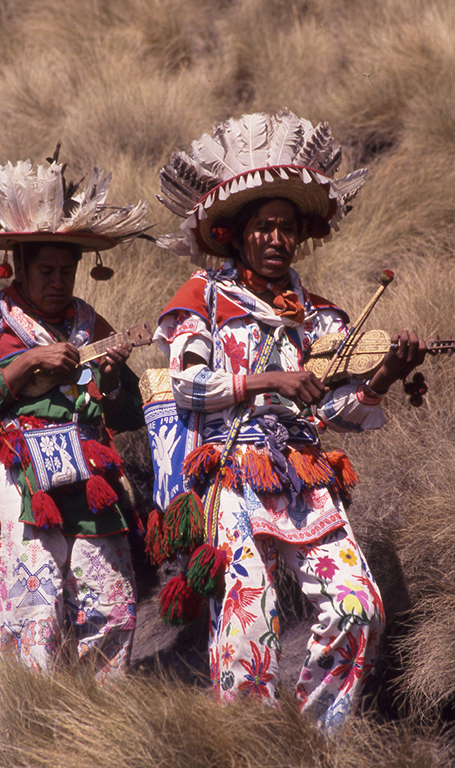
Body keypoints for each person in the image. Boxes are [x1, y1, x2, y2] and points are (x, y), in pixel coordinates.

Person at [149, 108, 426, 728]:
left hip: (304, 475)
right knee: (249, 617)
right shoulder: (204, 299)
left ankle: (314, 741)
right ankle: (249, 745)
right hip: (228, 474)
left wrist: (382, 377)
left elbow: (338, 414)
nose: (277, 239)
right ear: (235, 233)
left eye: (288, 228)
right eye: (264, 227)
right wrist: (266, 379)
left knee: (361, 608)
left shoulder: (324, 318)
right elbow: (188, 385)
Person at [0, 154, 148, 683]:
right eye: (46, 271)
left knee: (109, 599)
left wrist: (108, 375)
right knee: (30, 599)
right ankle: (18, 720)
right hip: (23, 475)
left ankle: (100, 719)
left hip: (92, 479)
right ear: (18, 267)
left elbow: (128, 412)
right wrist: (31, 361)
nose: (58, 281)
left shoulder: (90, 323)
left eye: (67, 270)